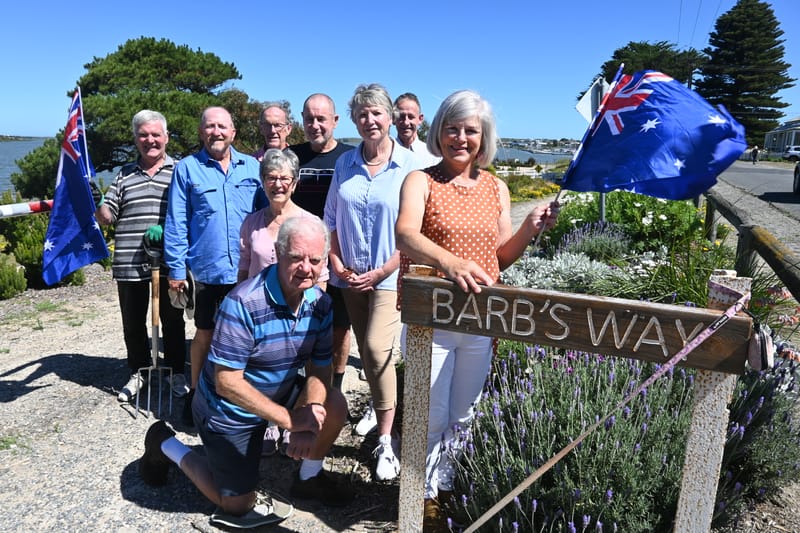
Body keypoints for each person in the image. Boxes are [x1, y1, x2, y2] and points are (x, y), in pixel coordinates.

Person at [395, 89, 559, 530]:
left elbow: (499, 260)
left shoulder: (496, 187)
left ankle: (445, 487)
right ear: (439, 132)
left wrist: (529, 228)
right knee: (429, 414)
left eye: (470, 130)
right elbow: (405, 235)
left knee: (464, 415)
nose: (460, 138)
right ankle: (421, 499)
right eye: (452, 128)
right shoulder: (421, 181)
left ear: (483, 137)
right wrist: (449, 263)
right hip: (434, 320)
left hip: (482, 319)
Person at [138, 217, 353, 529]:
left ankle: (308, 477)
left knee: (333, 404)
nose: (306, 268)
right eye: (296, 258)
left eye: (315, 259)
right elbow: (227, 384)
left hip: (276, 391)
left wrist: (311, 412)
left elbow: (320, 366)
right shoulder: (243, 303)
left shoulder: (320, 303)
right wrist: (291, 420)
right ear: (279, 254)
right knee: (237, 505)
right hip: (226, 409)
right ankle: (164, 443)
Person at [324, 83, 421, 482]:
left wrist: (382, 271)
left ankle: (387, 439)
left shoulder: (410, 166)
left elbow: (416, 230)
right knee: (367, 350)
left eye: (377, 113)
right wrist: (336, 263)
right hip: (349, 276)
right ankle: (383, 413)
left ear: (390, 117)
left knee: (379, 352)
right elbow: (330, 218)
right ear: (355, 120)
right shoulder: (345, 164)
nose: (370, 121)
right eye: (362, 115)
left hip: (388, 277)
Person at [164, 106, 267, 426]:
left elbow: (269, 215)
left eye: (222, 126)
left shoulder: (252, 167)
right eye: (209, 126)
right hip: (206, 270)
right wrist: (176, 269)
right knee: (204, 335)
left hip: (247, 271)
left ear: (233, 132)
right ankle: (196, 395)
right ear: (201, 132)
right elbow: (177, 221)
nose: (216, 132)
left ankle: (245, 399)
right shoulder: (187, 169)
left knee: (248, 339)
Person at [94, 110, 188, 402]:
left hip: (169, 261)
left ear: (166, 137)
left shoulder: (181, 171)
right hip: (129, 262)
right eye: (143, 135)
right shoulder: (123, 174)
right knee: (132, 322)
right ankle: (139, 370)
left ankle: (175, 370)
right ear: (136, 139)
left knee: (172, 320)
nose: (150, 140)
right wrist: (95, 204)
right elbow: (108, 217)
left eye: (156, 135)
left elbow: (191, 212)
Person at [289, 93, 355, 392]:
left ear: (335, 121)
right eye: (309, 119)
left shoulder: (349, 158)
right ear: (301, 121)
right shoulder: (292, 156)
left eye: (321, 119)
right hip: (298, 257)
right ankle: (300, 384)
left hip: (337, 254)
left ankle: (335, 388)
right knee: (297, 322)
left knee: (340, 325)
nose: (315, 125)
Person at [393, 92, 440, 168]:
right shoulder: (385, 154)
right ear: (393, 118)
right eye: (401, 116)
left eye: (411, 117)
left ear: (420, 119)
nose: (406, 122)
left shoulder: (432, 156)